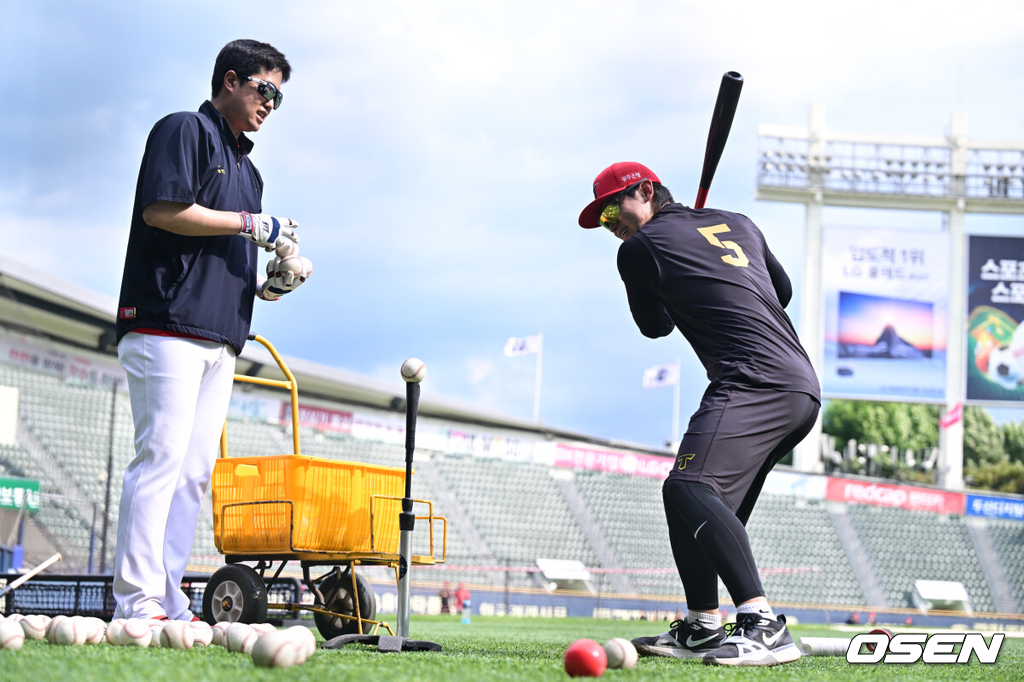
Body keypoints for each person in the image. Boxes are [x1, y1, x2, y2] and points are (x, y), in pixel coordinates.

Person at [578, 162, 820, 667]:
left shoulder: (638, 250)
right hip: (798, 384)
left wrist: (676, 286)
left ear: (646, 191)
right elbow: (782, 291)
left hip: (752, 380)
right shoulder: (738, 222)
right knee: (687, 499)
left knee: (690, 489)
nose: (611, 224)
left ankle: (763, 626)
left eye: (612, 209)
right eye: (602, 219)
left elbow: (654, 327)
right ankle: (703, 624)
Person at [112, 39, 311, 621]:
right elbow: (163, 210)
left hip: (221, 334)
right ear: (231, 80)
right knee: (162, 459)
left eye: (279, 96)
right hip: (164, 324)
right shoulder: (183, 129)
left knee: (194, 473)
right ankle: (136, 601)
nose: (271, 104)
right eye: (265, 89)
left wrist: (271, 285)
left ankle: (168, 598)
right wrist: (253, 225)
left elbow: (226, 265)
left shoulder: (251, 174)